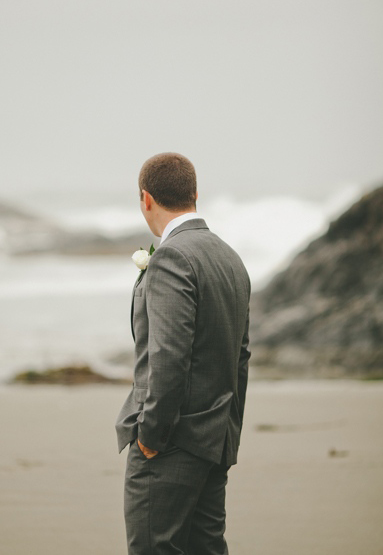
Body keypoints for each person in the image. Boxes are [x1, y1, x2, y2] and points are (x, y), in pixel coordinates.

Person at [115, 152, 251, 555]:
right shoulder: (231, 259)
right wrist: (228, 430)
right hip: (215, 439)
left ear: (146, 199)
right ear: (195, 194)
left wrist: (151, 434)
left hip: (171, 443)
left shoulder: (172, 257)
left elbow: (169, 356)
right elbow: (240, 357)